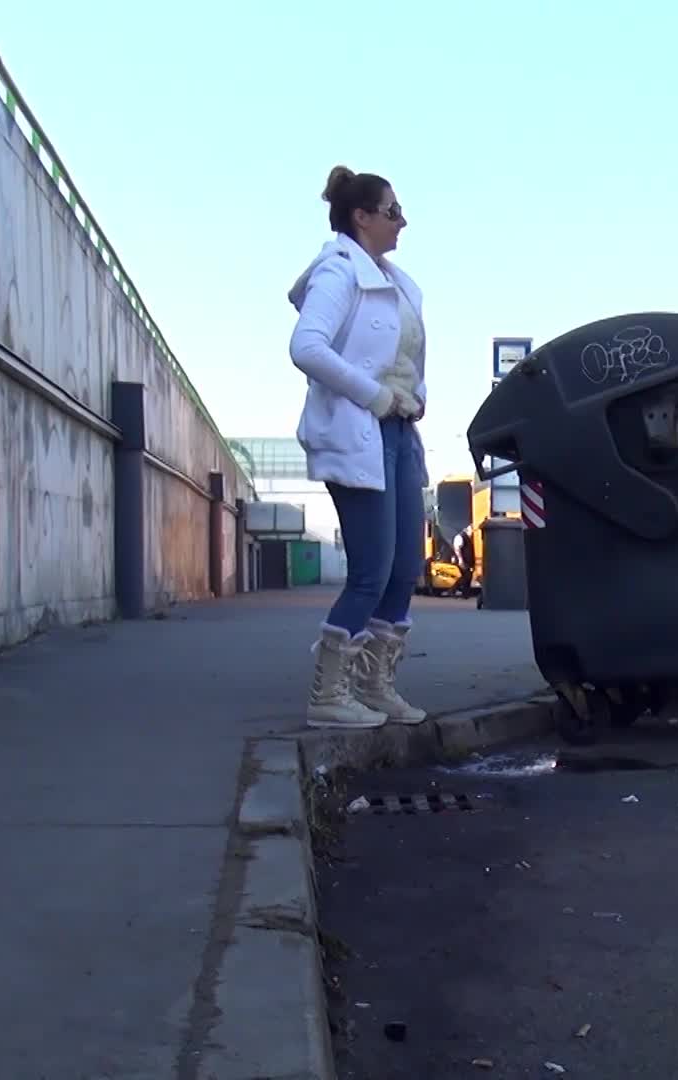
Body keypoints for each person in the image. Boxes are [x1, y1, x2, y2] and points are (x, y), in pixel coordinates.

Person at [286, 166, 429, 729]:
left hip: (398, 433)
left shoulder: (396, 281)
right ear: (361, 217)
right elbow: (307, 346)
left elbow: (404, 359)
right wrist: (375, 396)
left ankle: (374, 686)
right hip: (358, 430)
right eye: (392, 211)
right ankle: (328, 694)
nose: (402, 221)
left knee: (405, 569)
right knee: (371, 570)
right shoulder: (338, 273)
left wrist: (414, 396)